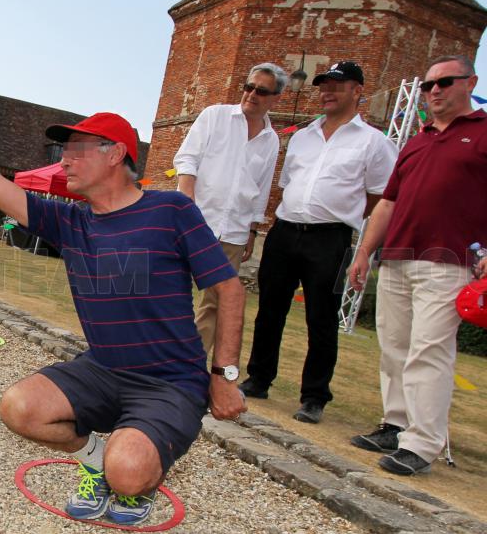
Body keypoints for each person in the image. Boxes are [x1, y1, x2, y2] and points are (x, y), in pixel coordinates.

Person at [0, 66, 246, 526]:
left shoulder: (171, 210)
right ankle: (95, 460)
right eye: (63, 151)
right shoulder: (70, 221)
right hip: (104, 369)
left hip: (170, 381)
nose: (64, 161)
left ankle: (130, 478)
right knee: (19, 408)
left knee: (128, 473)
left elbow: (228, 287)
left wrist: (223, 375)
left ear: (115, 154)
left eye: (76, 151)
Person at [348, 54, 487, 475]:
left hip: (450, 260)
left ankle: (423, 443)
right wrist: (364, 251)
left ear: (471, 82)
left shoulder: (483, 134)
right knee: (394, 346)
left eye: (445, 82)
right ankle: (395, 423)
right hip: (397, 257)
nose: (435, 91)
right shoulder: (417, 139)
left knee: (429, 350)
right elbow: (388, 201)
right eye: (428, 85)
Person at [240, 61, 397, 424]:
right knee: (270, 311)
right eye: (324, 85)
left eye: (337, 86)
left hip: (330, 237)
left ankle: (314, 396)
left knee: (321, 318)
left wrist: (344, 213)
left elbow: (380, 196)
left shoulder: (374, 142)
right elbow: (287, 184)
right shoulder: (303, 136)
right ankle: (259, 378)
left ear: (357, 91)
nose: (327, 91)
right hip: (286, 230)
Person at [173, 63, 286, 360]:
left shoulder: (272, 139)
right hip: (194, 222)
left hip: (233, 231)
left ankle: (189, 363)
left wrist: (252, 231)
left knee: (215, 302)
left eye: (261, 91)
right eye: (248, 87)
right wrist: (187, 207)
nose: (251, 94)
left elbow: (262, 189)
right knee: (169, 290)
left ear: (275, 97)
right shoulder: (215, 116)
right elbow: (186, 160)